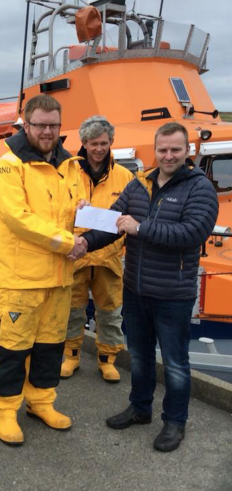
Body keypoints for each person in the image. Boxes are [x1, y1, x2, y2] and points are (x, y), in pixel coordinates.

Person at [76, 122, 218, 452]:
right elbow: (113, 222)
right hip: (136, 289)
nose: (168, 156)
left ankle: (174, 422)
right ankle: (140, 408)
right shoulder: (139, 185)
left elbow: (192, 234)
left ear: (187, 152)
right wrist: (83, 235)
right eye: (163, 149)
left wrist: (140, 227)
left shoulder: (200, 188)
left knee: (175, 363)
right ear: (154, 151)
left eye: (175, 150)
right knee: (139, 357)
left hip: (173, 294)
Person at [0, 94, 87, 446]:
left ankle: (41, 402)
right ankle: (5, 408)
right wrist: (66, 241)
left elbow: (74, 211)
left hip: (59, 276)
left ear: (61, 127)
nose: (47, 132)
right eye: (40, 125)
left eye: (53, 125)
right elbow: (19, 218)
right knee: (13, 349)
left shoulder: (71, 166)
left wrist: (83, 222)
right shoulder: (7, 166)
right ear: (25, 125)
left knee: (49, 347)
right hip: (21, 278)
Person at [60, 116, 133, 382]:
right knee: (71, 309)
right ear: (84, 143)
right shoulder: (67, 172)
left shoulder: (125, 176)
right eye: (93, 143)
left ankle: (107, 360)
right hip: (75, 254)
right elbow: (55, 207)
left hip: (109, 257)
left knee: (110, 311)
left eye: (103, 143)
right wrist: (73, 209)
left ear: (111, 142)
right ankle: (71, 356)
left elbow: (131, 214)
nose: (98, 148)